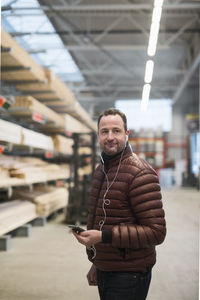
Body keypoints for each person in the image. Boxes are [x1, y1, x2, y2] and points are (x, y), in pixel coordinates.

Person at [72, 108, 166, 300]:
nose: (110, 137)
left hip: (129, 273)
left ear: (126, 134)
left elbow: (156, 232)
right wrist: (98, 263)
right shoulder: (101, 171)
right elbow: (102, 219)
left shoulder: (140, 173)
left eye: (116, 130)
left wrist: (104, 237)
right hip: (107, 268)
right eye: (104, 131)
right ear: (98, 135)